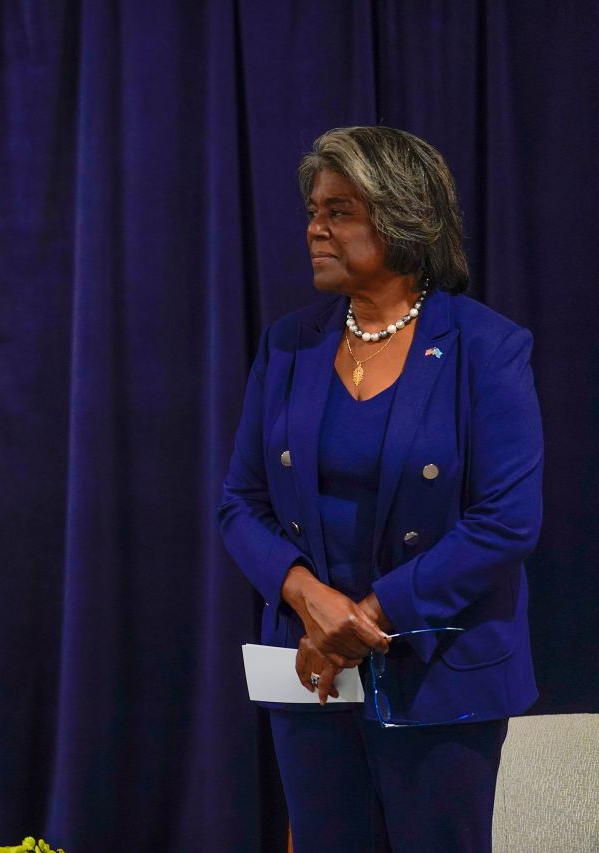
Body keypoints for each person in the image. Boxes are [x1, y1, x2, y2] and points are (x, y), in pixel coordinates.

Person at [219, 126, 543, 852]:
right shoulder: (288, 344)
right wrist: (309, 599)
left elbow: (506, 521)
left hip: (440, 675)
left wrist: (366, 615)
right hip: (313, 674)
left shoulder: (486, 348)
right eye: (313, 209)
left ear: (402, 217)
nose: (314, 227)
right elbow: (239, 502)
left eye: (338, 210)